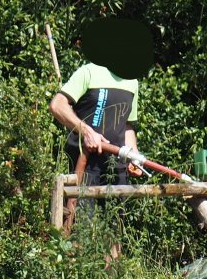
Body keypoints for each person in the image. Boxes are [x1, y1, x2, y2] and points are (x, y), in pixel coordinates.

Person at [49, 17, 153, 255]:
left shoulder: (132, 82)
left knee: (114, 231)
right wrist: (85, 130)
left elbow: (127, 126)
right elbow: (57, 105)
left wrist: (134, 156)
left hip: (115, 166)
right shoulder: (89, 72)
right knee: (78, 228)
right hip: (84, 165)